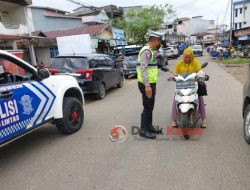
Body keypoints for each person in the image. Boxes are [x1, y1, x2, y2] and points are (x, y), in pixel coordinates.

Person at [169, 48, 208, 128]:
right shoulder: (179, 64)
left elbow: (200, 70)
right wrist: (172, 77)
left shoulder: (195, 62)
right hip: (182, 85)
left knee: (200, 98)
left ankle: (204, 119)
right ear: (183, 56)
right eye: (186, 57)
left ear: (192, 56)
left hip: (193, 84)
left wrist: (202, 77)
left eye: (189, 57)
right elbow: (175, 73)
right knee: (175, 98)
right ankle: (174, 119)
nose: (187, 59)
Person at [137, 30, 163, 139]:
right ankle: (143, 130)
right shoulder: (146, 51)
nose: (159, 44)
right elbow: (143, 69)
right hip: (146, 84)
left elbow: (152, 68)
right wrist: (147, 86)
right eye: (159, 41)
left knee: (150, 105)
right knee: (147, 106)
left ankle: (149, 126)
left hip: (150, 83)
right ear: (154, 40)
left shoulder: (151, 51)